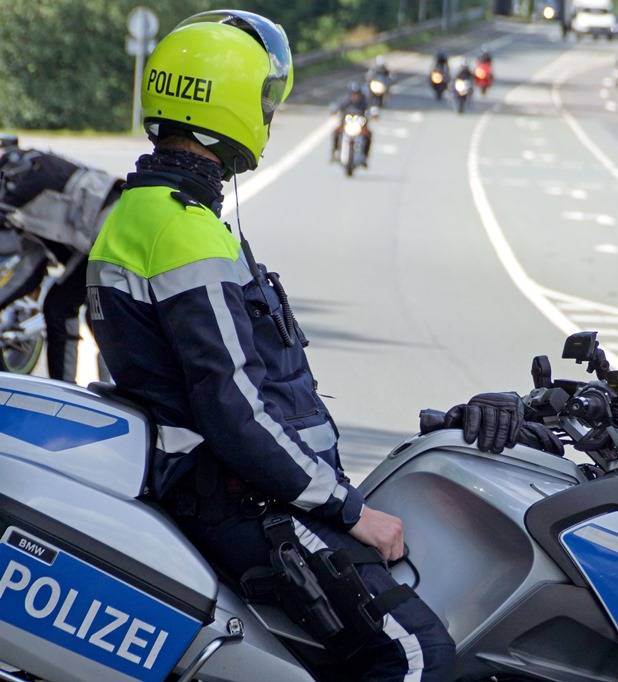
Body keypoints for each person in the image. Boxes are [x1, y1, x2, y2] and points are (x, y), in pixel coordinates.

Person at [85, 11, 464, 679]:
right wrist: (347, 510)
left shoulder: (140, 211)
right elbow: (234, 406)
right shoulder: (185, 230)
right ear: (225, 98)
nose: (266, 114)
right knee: (413, 652)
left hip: (221, 489)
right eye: (261, 99)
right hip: (242, 501)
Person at [0, 134, 120, 381]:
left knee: (76, 310)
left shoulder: (16, 186)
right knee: (66, 307)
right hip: (95, 230)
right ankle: (70, 390)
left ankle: (111, 397)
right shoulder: (25, 166)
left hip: (109, 233)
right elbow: (31, 254)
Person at [331, 81, 373, 164]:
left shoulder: (364, 102)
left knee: (368, 134)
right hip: (346, 124)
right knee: (336, 132)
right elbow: (337, 107)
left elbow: (370, 110)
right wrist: (334, 110)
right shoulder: (345, 100)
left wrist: (372, 114)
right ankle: (335, 151)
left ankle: (365, 155)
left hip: (360, 125)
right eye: (353, 94)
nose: (355, 96)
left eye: (357, 94)